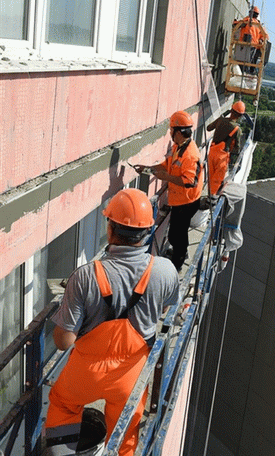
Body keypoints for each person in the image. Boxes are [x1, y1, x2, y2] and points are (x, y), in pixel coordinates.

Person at [45, 188, 179, 456]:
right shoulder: (165, 270)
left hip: (86, 372)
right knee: (125, 433)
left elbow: (63, 342)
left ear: (110, 228)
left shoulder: (84, 276)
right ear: (148, 230)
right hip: (132, 373)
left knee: (64, 405)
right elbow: (164, 307)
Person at [135, 111, 204, 270]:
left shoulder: (190, 155)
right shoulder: (179, 147)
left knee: (177, 235)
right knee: (177, 233)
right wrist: (149, 168)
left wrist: (165, 177)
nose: (170, 133)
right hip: (181, 200)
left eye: (171, 129)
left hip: (187, 201)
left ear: (178, 131)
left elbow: (190, 182)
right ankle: (180, 252)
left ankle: (177, 263)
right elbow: (168, 164)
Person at [207, 101, 245, 195]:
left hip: (212, 153)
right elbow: (237, 149)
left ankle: (209, 196)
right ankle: (211, 200)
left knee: (210, 177)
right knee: (216, 181)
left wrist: (222, 116)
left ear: (231, 110)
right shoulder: (237, 129)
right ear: (240, 116)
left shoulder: (220, 120)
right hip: (222, 157)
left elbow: (208, 128)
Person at [232, 6, 268, 72]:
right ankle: (247, 71)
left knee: (242, 61)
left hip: (245, 44)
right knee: (248, 62)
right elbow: (265, 35)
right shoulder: (258, 24)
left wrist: (234, 22)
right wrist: (262, 40)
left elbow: (238, 24)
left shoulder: (248, 20)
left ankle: (243, 72)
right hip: (254, 46)